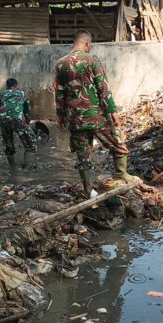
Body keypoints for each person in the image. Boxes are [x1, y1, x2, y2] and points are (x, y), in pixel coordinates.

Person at [55, 29, 132, 197]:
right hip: (96, 115)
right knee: (116, 141)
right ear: (87, 43)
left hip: (75, 118)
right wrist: (112, 110)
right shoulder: (92, 59)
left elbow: (59, 93)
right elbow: (103, 87)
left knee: (82, 153)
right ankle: (122, 174)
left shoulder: (61, 63)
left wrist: (60, 116)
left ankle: (88, 189)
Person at [0, 78, 38, 168]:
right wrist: (26, 122)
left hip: (3, 120)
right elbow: (27, 110)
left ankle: (12, 168)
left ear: (6, 86)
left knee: (9, 144)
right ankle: (28, 168)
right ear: (16, 86)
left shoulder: (1, 94)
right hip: (17, 120)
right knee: (31, 144)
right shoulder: (21, 93)